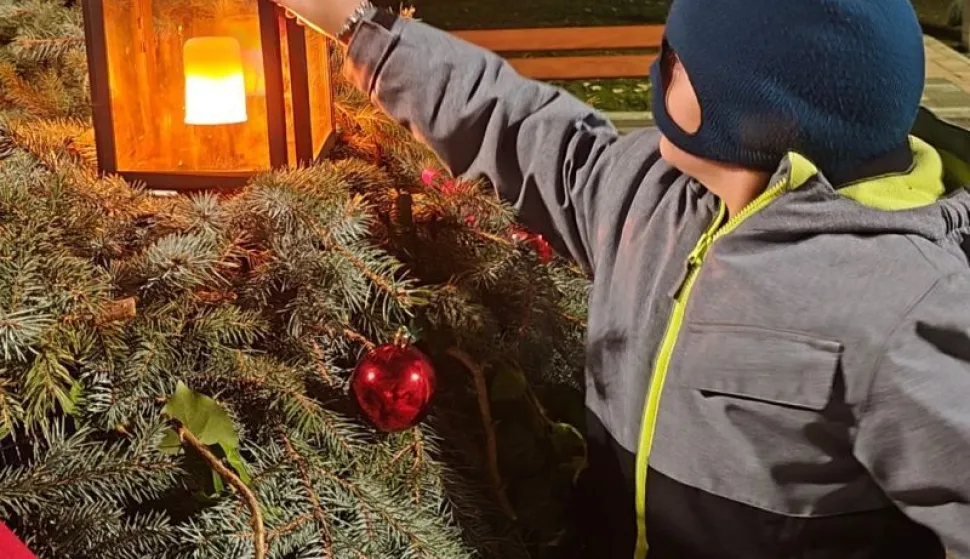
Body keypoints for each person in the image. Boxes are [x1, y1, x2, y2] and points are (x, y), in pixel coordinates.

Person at [274, 0, 970, 557]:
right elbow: (513, 124)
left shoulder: (901, 300)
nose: (655, 70)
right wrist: (356, 25)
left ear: (754, 108)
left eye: (676, 60)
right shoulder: (653, 190)